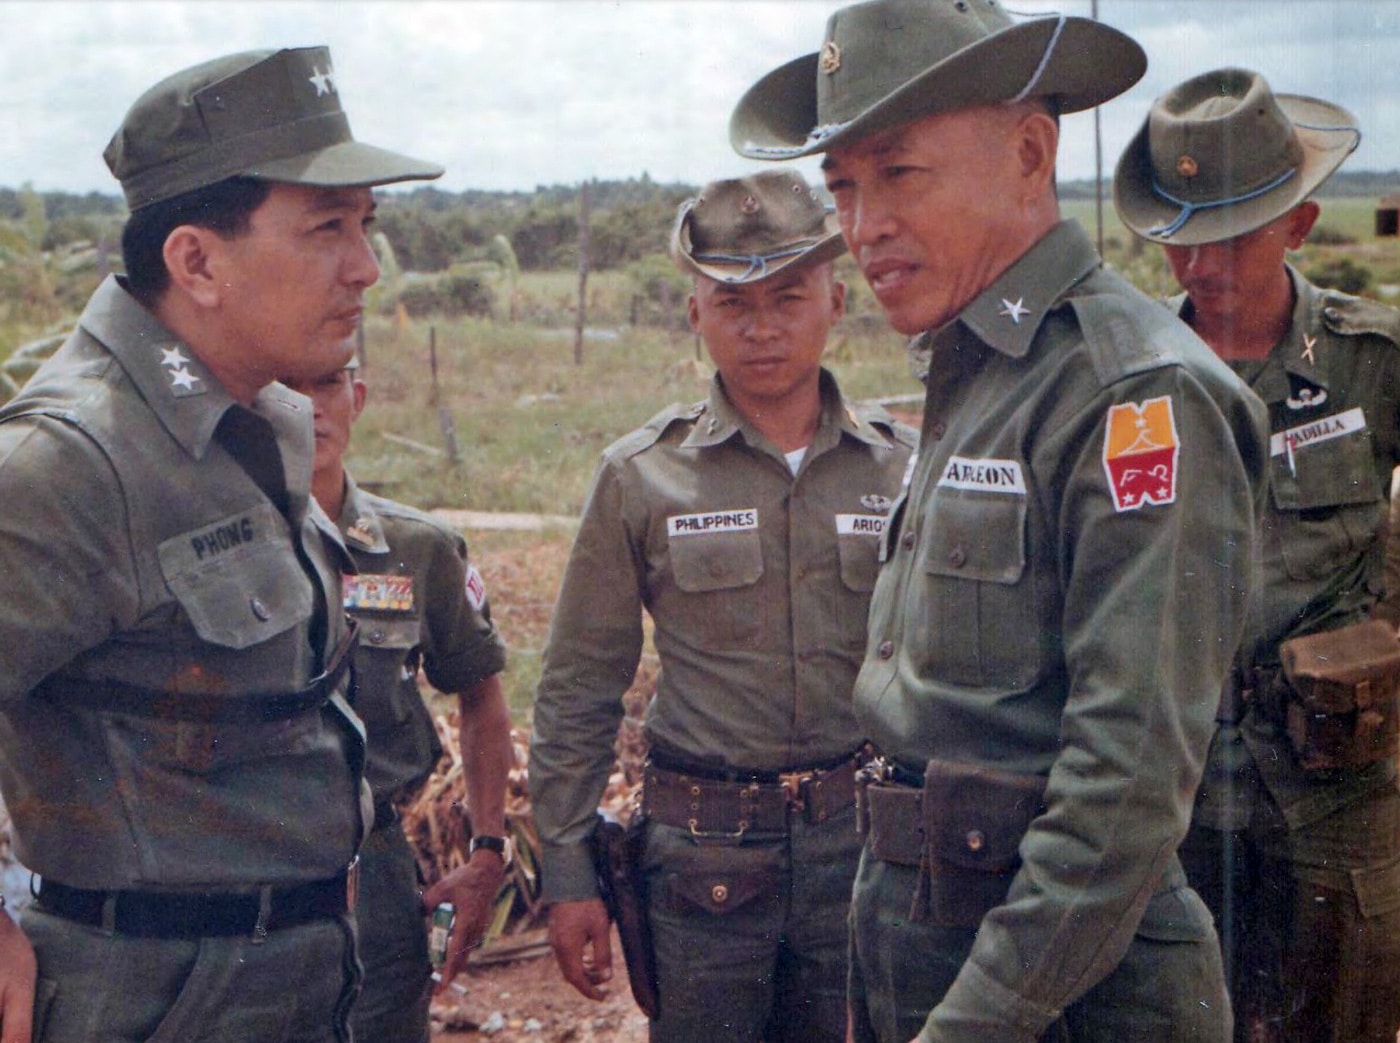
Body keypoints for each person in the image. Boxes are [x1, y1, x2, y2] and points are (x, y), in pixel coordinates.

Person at [730, 2, 1271, 1040]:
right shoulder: (975, 370)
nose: (861, 224)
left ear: (1027, 151)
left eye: (897, 172)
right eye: (841, 185)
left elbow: (1124, 784)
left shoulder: (1132, 395)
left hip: (1060, 994)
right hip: (932, 941)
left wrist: (974, 1020)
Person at [0, 47, 441, 1043]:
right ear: (195, 261)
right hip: (154, 995)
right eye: (327, 228)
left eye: (364, 225)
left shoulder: (263, 420)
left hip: (294, 973)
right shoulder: (69, 461)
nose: (365, 266)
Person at [528, 168, 917, 1043]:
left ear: (837, 301)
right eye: (732, 302)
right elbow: (579, 683)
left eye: (789, 296)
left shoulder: (904, 467)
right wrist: (566, 872)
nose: (763, 326)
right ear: (695, 314)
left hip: (859, 849)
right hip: (703, 862)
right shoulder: (641, 475)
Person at [1114, 68, 1400, 1043]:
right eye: (1181, 237)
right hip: (1175, 795)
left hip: (1337, 792)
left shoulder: (1371, 361)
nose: (1200, 266)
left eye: (1230, 235)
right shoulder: (1128, 383)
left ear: (1300, 223)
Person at [283, 357, 513, 1042]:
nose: (308, 408)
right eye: (284, 388)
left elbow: (483, 693)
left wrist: (488, 847)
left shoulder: (416, 549)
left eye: (325, 386)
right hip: (240, 863)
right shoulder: (210, 549)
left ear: (356, 397)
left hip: (373, 863)